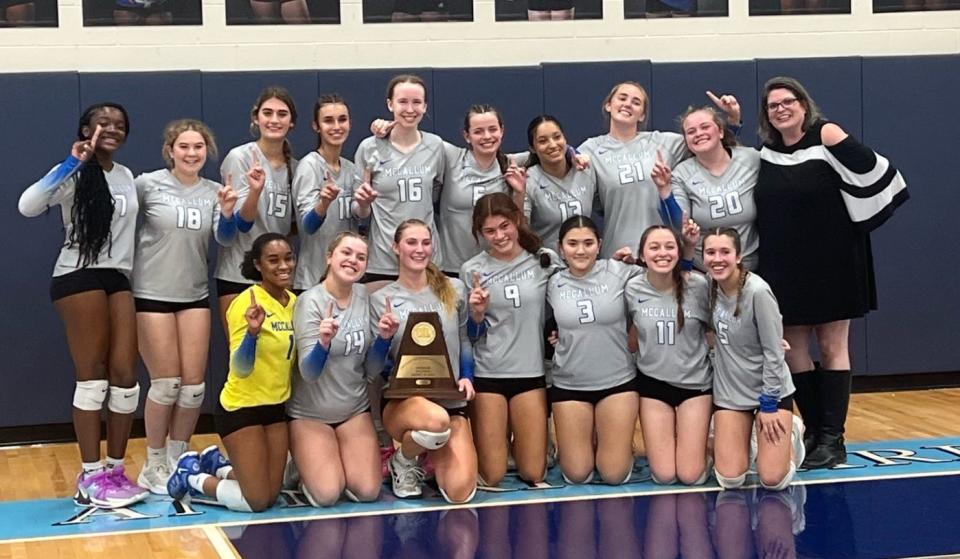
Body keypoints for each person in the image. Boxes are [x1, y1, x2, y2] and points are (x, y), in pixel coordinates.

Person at [756, 77, 907, 469]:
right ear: (767, 115)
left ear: (804, 105)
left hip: (834, 259)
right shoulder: (766, 153)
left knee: (833, 346)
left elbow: (880, 174)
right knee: (794, 348)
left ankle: (833, 438)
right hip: (784, 264)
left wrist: (858, 223)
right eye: (773, 105)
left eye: (788, 101)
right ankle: (812, 431)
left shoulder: (826, 135)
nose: (781, 109)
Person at [18, 102, 147, 508]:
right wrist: (70, 163)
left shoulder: (126, 176)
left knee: (126, 377)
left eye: (120, 125)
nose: (112, 129)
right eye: (103, 123)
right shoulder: (75, 173)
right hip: (78, 275)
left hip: (117, 277)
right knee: (92, 376)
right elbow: (28, 205)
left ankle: (114, 468)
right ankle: (90, 474)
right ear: (86, 129)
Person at [132, 119, 237, 493]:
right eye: (184, 147)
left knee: (193, 388)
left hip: (193, 294)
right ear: (170, 151)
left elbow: (224, 237)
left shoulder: (214, 191)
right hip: (151, 293)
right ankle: (154, 461)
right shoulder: (147, 184)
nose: (192, 153)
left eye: (198, 147)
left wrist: (227, 213)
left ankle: (178, 458)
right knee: (165, 384)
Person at [168, 233, 297, 512]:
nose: (284, 266)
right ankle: (193, 479)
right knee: (257, 501)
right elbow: (239, 366)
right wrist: (252, 333)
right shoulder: (247, 303)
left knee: (273, 492)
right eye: (273, 260)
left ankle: (220, 467)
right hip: (242, 409)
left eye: (288, 258)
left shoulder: (295, 303)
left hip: (275, 409)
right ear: (258, 265)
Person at [367, 219, 478, 503]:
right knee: (435, 420)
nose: (419, 249)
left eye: (425, 243)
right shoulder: (381, 299)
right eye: (411, 242)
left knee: (460, 492)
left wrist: (466, 375)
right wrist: (383, 338)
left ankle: (423, 450)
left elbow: (465, 338)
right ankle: (403, 460)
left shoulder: (453, 288)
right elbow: (373, 368)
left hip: (450, 400)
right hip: (404, 401)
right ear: (396, 247)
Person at [460, 193, 559, 487]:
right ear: (479, 233)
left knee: (533, 473)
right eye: (489, 231)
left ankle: (530, 444)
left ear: (516, 220)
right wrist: (477, 315)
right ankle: (497, 445)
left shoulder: (544, 261)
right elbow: (471, 335)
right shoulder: (472, 270)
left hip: (530, 373)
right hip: (489, 373)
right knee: (493, 475)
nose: (499, 236)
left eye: (504, 226)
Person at [577, 83, 741, 259]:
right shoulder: (591, 149)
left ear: (642, 115)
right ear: (608, 105)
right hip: (617, 252)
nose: (628, 104)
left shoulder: (664, 143)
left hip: (662, 254)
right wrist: (572, 157)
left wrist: (732, 118)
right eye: (622, 98)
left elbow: (711, 143)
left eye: (636, 102)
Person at [288, 232, 386, 506]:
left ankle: (336, 454)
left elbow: (371, 371)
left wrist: (384, 340)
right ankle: (300, 463)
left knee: (367, 492)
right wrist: (323, 343)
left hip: (353, 410)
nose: (353, 260)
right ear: (330, 257)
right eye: (346, 253)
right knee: (328, 495)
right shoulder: (310, 301)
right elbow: (308, 373)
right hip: (310, 414)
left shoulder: (365, 297)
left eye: (361, 257)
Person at [702, 227, 804, 491]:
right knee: (730, 478)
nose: (717, 259)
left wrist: (769, 404)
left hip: (767, 391)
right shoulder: (708, 287)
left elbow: (774, 352)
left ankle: (791, 434)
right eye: (710, 252)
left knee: (772, 479)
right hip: (731, 392)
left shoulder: (758, 292)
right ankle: (741, 439)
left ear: (738, 256)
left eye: (725, 252)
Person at [546, 215, 640, 485]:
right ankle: (589, 440)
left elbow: (660, 280)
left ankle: (618, 445)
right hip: (570, 384)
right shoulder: (552, 281)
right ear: (560, 247)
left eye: (588, 243)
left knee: (613, 474)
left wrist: (638, 260)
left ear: (599, 245)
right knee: (577, 474)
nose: (580, 250)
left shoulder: (619, 270)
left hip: (617, 381)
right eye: (572, 243)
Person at [626, 224, 713, 485]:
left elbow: (720, 326)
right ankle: (682, 446)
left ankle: (709, 447)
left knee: (690, 475)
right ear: (641, 255)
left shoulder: (698, 285)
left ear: (679, 252)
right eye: (654, 247)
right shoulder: (631, 288)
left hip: (695, 386)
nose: (662, 253)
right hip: (653, 385)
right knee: (664, 475)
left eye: (669, 247)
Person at [215, 86, 298, 332]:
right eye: (267, 113)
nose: (274, 120)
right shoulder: (240, 157)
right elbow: (242, 223)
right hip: (237, 275)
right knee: (243, 353)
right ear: (256, 118)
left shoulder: (297, 166)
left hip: (276, 274)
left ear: (291, 122)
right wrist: (255, 191)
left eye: (282, 114)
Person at [355, 75, 445, 281]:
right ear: (390, 104)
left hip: (426, 260)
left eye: (417, 102)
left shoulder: (436, 146)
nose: (410, 109)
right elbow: (360, 212)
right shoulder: (369, 148)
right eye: (403, 102)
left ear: (425, 106)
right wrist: (363, 204)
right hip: (383, 260)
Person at [659, 103, 761, 271]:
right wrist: (664, 191)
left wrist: (735, 119)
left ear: (720, 131)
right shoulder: (682, 173)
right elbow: (680, 225)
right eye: (691, 132)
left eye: (705, 127)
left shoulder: (750, 159)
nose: (699, 134)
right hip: (706, 270)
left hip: (749, 267)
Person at [293, 94, 367, 293]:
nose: (336, 126)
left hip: (346, 279)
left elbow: (360, 216)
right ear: (316, 126)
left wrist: (365, 203)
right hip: (313, 280)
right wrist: (323, 204)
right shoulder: (309, 166)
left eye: (342, 119)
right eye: (328, 120)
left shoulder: (352, 169)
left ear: (350, 123)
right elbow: (307, 226)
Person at [523, 115, 598, 254]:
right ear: (532, 148)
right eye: (542, 141)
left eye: (557, 137)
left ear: (565, 139)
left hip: (583, 262)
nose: (552, 144)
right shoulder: (529, 180)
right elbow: (522, 231)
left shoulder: (585, 169)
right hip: (547, 267)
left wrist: (572, 152)